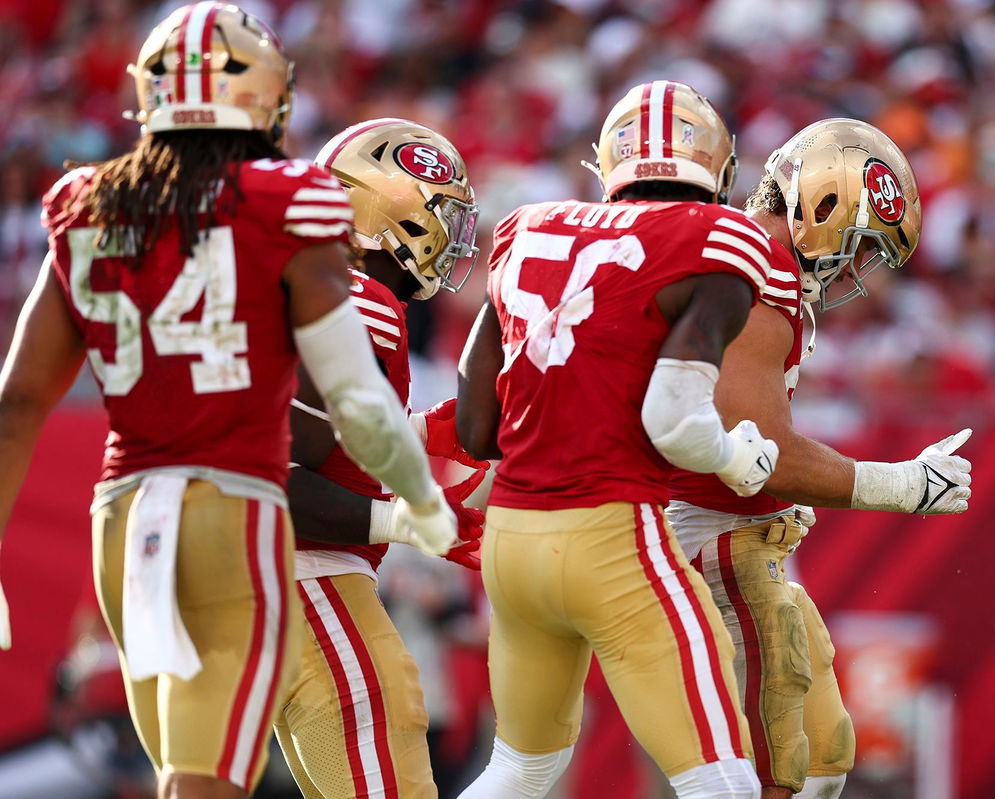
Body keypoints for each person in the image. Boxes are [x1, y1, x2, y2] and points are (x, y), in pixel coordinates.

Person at [0, 6, 456, 799]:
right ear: (271, 105)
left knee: (192, 773)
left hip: (127, 522)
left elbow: (16, 404)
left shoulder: (86, 203)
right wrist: (414, 504)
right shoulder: (287, 203)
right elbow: (343, 408)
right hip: (234, 512)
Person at [455, 80, 781, 799]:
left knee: (519, 770)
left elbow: (475, 427)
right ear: (719, 170)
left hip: (510, 542)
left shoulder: (525, 227)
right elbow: (674, 417)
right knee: (722, 781)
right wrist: (738, 456)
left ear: (607, 164)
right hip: (613, 537)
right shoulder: (718, 237)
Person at [667, 117, 973, 799]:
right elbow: (764, 451)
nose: (857, 269)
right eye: (860, 246)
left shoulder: (754, 261)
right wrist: (900, 483)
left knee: (826, 757)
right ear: (820, 208)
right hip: (704, 537)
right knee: (765, 772)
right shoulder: (752, 264)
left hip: (735, 534)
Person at [274, 117, 489, 799]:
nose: (451, 238)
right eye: (440, 214)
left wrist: (418, 429)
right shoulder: (360, 299)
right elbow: (281, 466)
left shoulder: (292, 280)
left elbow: (313, 434)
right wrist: (405, 518)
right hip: (315, 582)